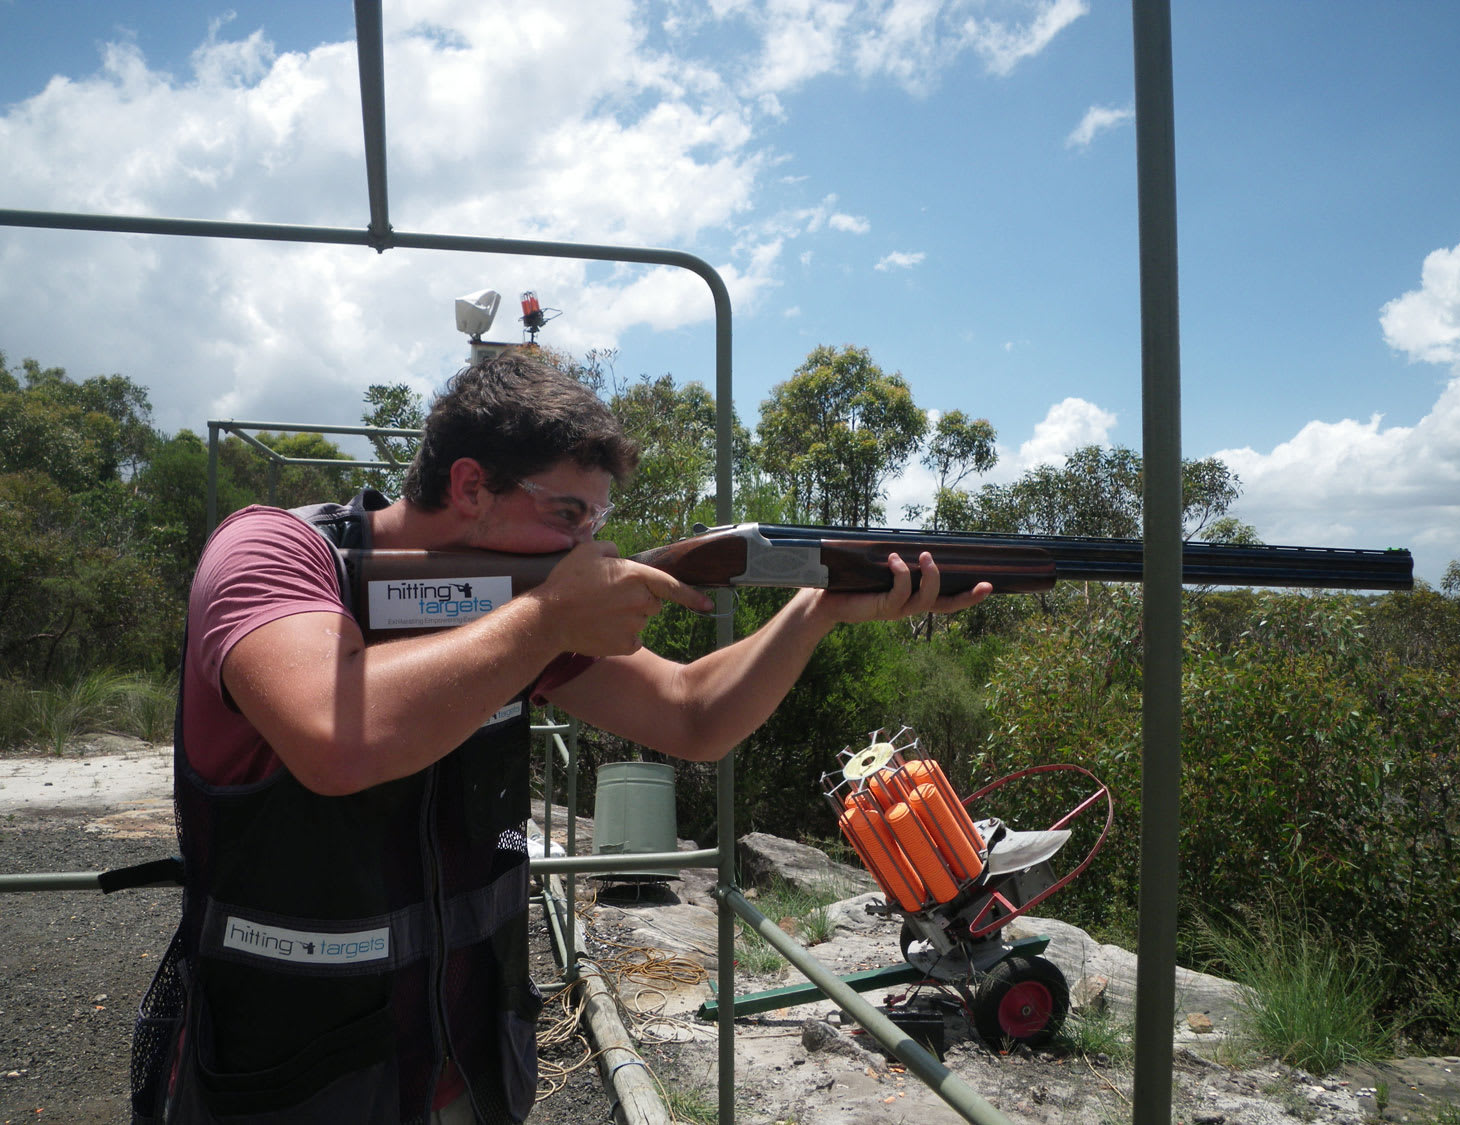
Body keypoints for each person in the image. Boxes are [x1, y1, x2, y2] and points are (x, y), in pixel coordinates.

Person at [132, 349, 991, 1124]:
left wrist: (818, 609)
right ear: (470, 485)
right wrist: (544, 617)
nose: (589, 544)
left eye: (594, 519)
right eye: (568, 514)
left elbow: (694, 713)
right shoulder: (274, 554)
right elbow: (335, 738)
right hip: (286, 1083)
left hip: (466, 1069)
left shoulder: (518, 615)